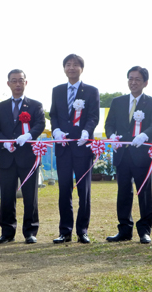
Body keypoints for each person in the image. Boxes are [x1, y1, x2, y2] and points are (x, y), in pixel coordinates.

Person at [104, 66, 152, 244]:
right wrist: (112, 136)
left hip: (142, 155)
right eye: (130, 78)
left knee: (143, 193)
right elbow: (109, 124)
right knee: (123, 193)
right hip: (122, 154)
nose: (133, 82)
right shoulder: (117, 102)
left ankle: (144, 231)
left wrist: (145, 135)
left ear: (145, 83)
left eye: (137, 79)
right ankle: (124, 230)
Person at [50, 54, 100, 244]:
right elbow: (53, 114)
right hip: (63, 147)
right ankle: (65, 231)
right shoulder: (57, 90)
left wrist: (87, 132)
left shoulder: (91, 91)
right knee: (64, 190)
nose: (72, 68)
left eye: (76, 65)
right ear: (64, 68)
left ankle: (82, 231)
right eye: (68, 65)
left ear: (81, 68)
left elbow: (93, 116)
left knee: (83, 191)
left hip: (82, 147)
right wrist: (55, 130)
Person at [0, 69, 45, 244]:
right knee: (7, 196)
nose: (17, 84)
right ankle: (7, 232)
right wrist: (4, 143)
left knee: (30, 196)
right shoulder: (0, 107)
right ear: (8, 84)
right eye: (14, 81)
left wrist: (28, 135)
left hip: (28, 157)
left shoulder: (35, 105)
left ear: (26, 83)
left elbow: (40, 124)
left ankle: (30, 232)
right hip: (7, 157)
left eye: (21, 80)